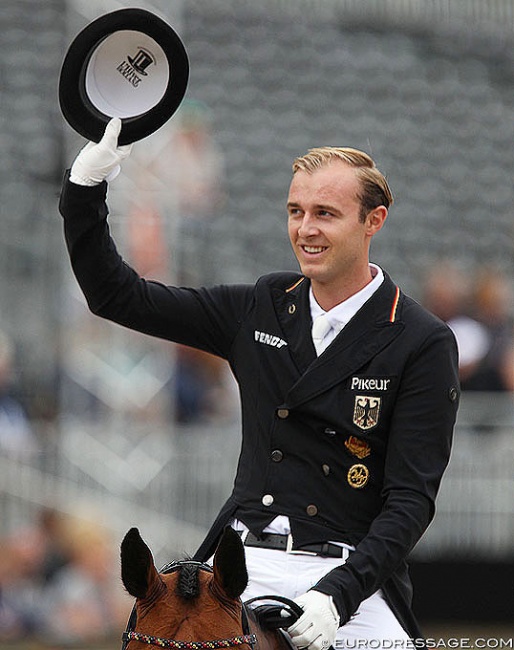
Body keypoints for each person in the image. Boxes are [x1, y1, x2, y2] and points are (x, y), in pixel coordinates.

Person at [59, 118, 460, 647]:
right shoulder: (259, 307)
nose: (305, 229)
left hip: (347, 575)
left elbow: (410, 501)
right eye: (296, 212)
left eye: (325, 214)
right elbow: (117, 296)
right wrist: (85, 189)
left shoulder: (420, 340)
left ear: (373, 221)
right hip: (237, 565)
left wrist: (340, 592)